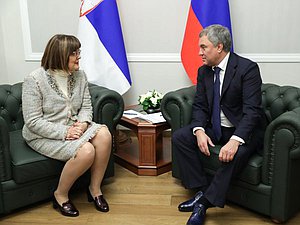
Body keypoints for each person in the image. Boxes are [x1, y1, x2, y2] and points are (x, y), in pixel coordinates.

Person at [173, 24, 266, 225]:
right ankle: (200, 189)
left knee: (234, 155)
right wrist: (198, 130)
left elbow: (252, 112)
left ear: (219, 47)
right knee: (181, 137)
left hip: (244, 131)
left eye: (203, 47)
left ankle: (203, 204)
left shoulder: (247, 69)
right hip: (216, 128)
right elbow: (199, 106)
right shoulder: (204, 71)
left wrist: (235, 141)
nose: (199, 53)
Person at [22, 34, 112, 217]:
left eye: (79, 51)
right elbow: (33, 121)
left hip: (75, 126)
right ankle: (60, 195)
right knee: (87, 151)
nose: (79, 56)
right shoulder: (34, 80)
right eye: (74, 53)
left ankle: (94, 190)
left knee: (104, 134)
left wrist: (84, 123)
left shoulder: (80, 75)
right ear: (60, 55)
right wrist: (66, 132)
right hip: (43, 134)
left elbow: (86, 106)